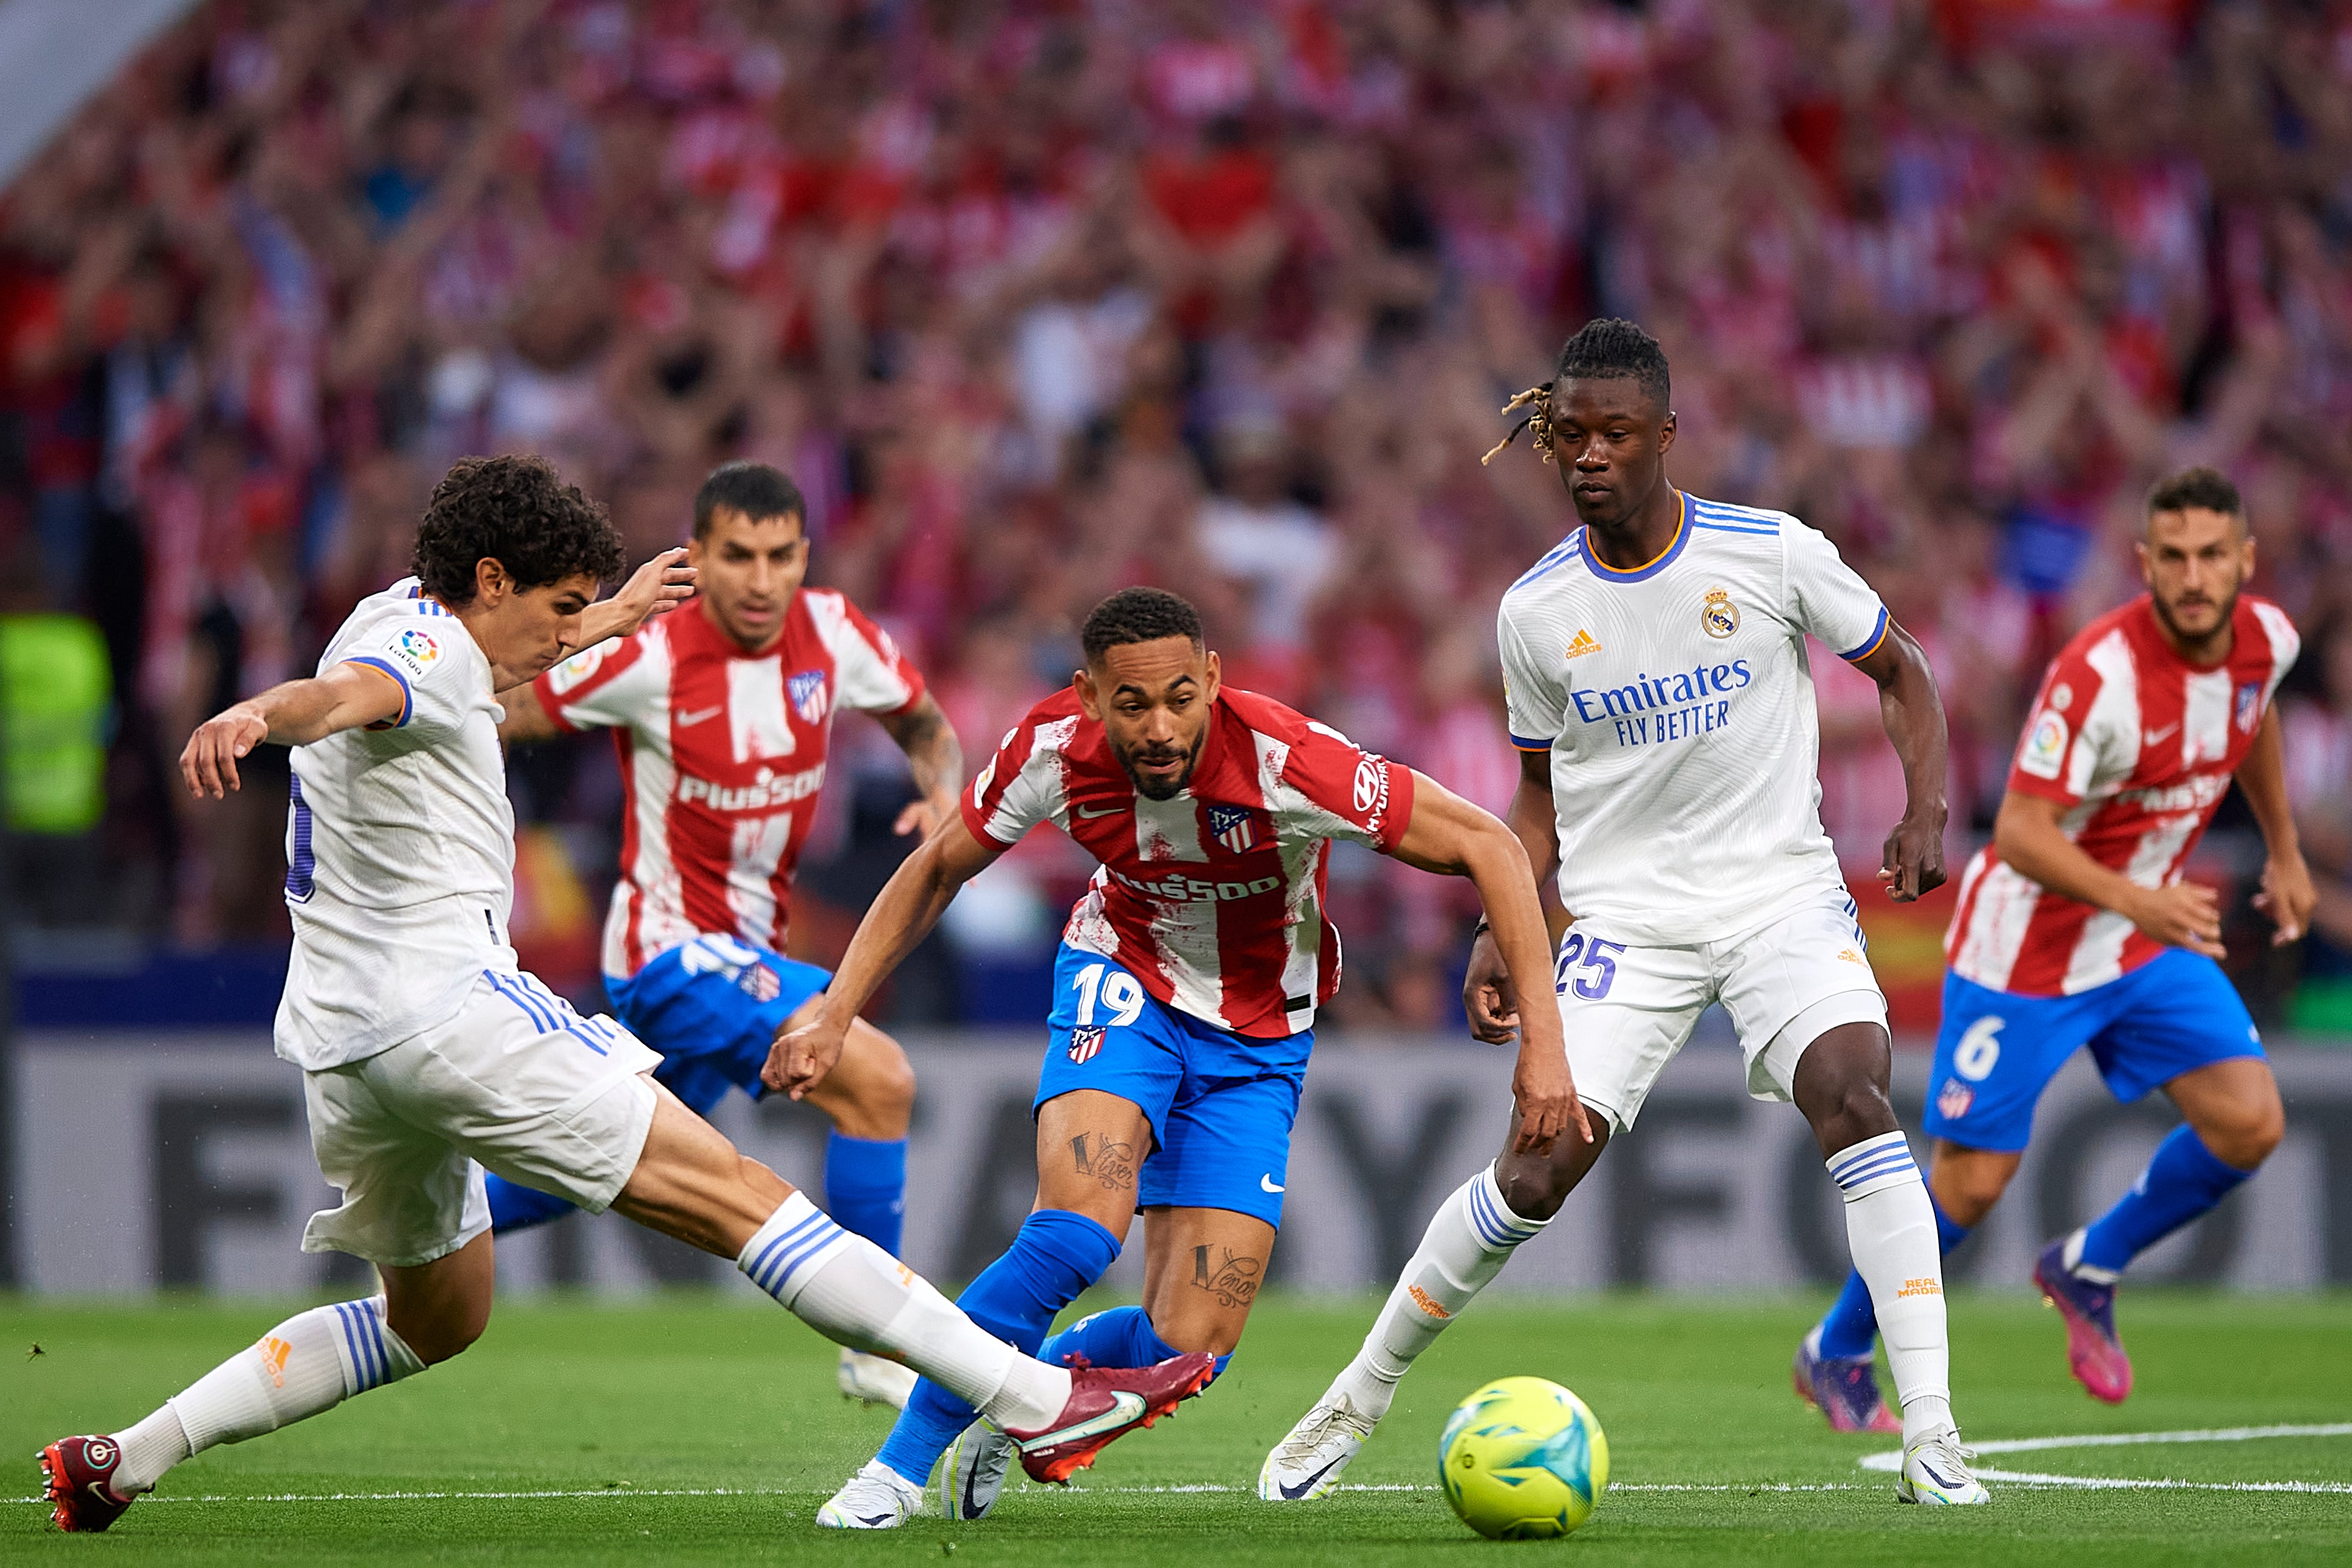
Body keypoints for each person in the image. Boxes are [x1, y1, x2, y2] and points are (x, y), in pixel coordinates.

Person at [36, 456, 1210, 1535]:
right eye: (557, 610)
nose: (567, 640)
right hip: (457, 1010)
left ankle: (125, 1455)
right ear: (489, 579)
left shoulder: (407, 610)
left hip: (346, 1049)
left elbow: (446, 660)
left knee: (432, 1317)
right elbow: (341, 695)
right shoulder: (422, 655)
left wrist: (601, 614)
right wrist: (256, 714)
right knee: (742, 1193)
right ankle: (1030, 1390)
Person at [1260, 317, 1987, 1507]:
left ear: (1663, 435)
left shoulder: (1771, 553)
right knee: (1534, 1172)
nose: (1588, 454)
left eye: (1612, 433)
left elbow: (1900, 669)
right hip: (1623, 921)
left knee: (1855, 1097)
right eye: (1569, 435)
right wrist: (1506, 921)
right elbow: (1537, 793)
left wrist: (1924, 808)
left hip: (1778, 894)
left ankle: (1934, 1436)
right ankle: (1356, 1394)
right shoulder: (1534, 611)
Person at [769, 584, 1582, 1529]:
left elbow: (1489, 842)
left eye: (1181, 699)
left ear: (1214, 683)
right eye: (1132, 704)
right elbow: (940, 864)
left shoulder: (1289, 760)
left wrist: (1545, 1047)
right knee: (1075, 1232)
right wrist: (834, 1011)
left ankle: (1035, 1390)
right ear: (1088, 697)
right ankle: (897, 1472)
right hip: (1127, 981)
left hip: (1262, 1034)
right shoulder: (1051, 754)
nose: (1160, 728)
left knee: (1191, 1345)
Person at [1799, 467, 2308, 1419]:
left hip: (2140, 934)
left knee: (2250, 1122)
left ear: (2244, 561)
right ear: (2145, 564)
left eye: (2213, 557)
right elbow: (2023, 832)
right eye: (2175, 558)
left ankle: (2088, 1266)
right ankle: (1832, 1346)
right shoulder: (2099, 678)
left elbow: (2255, 713)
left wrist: (2282, 849)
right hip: (2027, 942)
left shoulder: (2264, 642)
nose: (2195, 578)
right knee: (1975, 1180)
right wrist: (2139, 901)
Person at [493, 460, 957, 1409]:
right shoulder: (652, 654)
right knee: (879, 1079)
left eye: (779, 556)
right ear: (696, 558)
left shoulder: (834, 633)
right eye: (737, 556)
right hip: (666, 952)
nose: (759, 579)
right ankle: (876, 1345)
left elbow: (925, 724)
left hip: (746, 946)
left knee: (607, 1159)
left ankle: (428, 1223)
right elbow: (502, 708)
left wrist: (942, 789)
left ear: (803, 558)